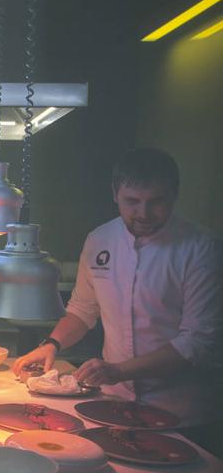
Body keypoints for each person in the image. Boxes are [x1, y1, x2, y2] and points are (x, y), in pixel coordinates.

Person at [13, 148, 222, 425]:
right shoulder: (100, 239)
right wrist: (52, 344)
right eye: (132, 201)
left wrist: (119, 370)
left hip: (179, 410)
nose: (143, 213)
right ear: (115, 194)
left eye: (156, 202)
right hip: (113, 402)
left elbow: (196, 342)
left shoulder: (202, 248)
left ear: (175, 194)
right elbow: (82, 309)